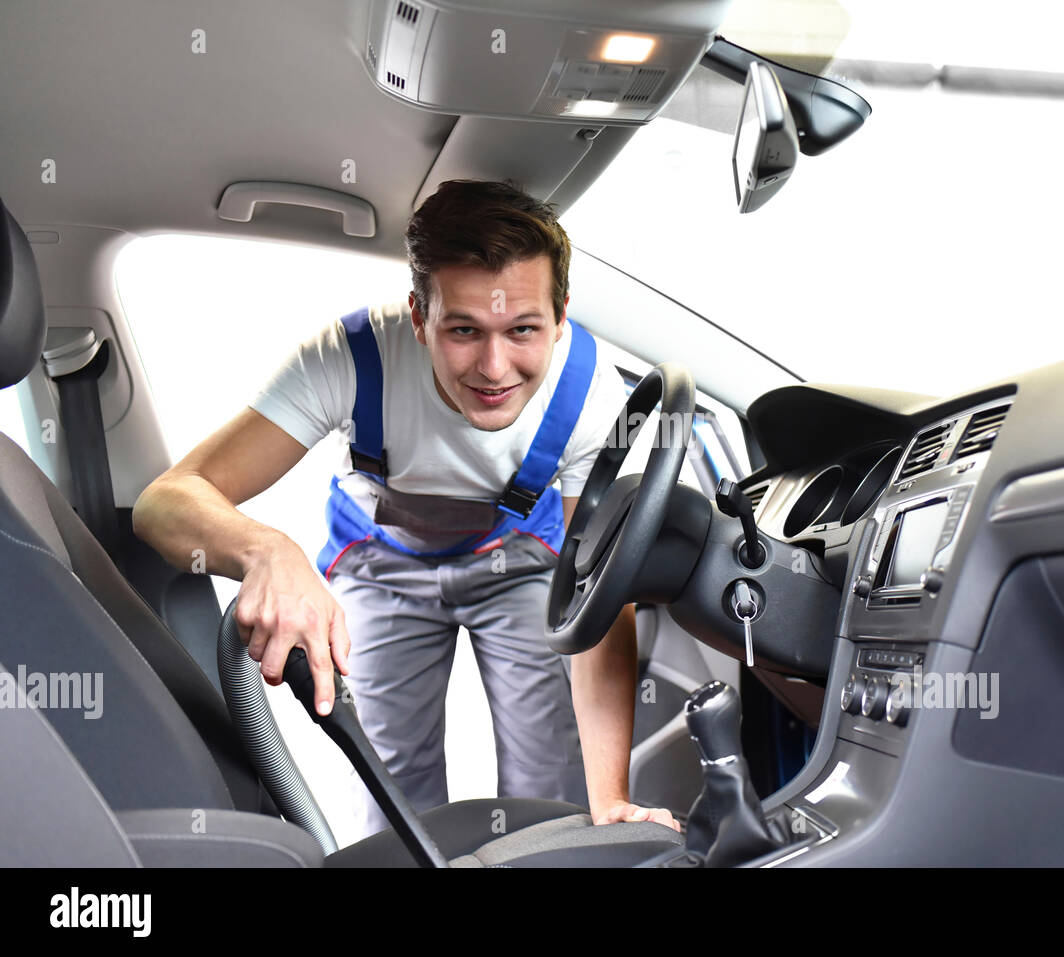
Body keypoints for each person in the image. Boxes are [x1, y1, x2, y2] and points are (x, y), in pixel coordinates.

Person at [133, 179, 677, 837]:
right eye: (464, 329)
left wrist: (609, 798)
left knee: (552, 793)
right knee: (394, 798)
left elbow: (596, 597)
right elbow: (163, 502)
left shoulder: (590, 394)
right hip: (380, 562)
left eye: (524, 329)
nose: (494, 366)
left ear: (561, 314)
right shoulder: (351, 358)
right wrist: (267, 549)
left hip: (520, 562)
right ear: (419, 315)